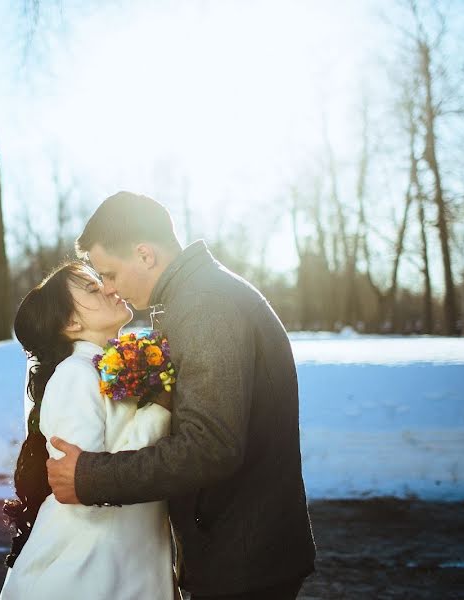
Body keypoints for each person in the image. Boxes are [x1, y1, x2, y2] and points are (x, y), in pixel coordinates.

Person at [47, 192, 316, 600]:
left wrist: (90, 477)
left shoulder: (206, 305)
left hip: (244, 560)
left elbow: (211, 446)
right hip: (235, 548)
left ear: (145, 255)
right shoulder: (195, 297)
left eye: (111, 273)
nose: (109, 288)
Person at [0, 260, 179, 600]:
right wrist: (158, 409)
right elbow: (86, 485)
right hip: (90, 571)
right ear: (71, 322)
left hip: (128, 558)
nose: (110, 288)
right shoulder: (75, 376)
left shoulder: (104, 367)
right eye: (93, 289)